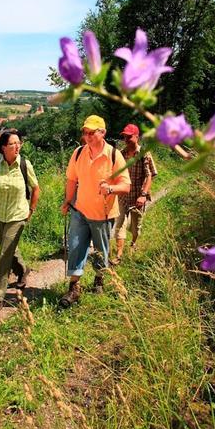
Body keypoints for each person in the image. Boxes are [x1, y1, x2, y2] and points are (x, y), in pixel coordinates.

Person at [59, 115, 131, 307]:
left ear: (103, 133)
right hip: (80, 210)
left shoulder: (114, 155)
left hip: (103, 214)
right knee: (75, 247)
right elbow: (72, 179)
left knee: (101, 251)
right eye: (85, 132)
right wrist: (67, 200)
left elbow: (126, 185)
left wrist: (110, 188)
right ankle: (74, 288)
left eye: (92, 132)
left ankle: (99, 279)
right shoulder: (78, 153)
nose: (88, 136)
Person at [0, 129, 40, 318]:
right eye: (12, 144)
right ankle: (22, 269)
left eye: (19, 143)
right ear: (3, 147)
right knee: (7, 248)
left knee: (4, 255)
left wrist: (30, 210)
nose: (17, 146)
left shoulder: (24, 165)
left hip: (17, 216)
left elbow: (36, 189)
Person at [112, 123, 157, 264]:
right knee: (120, 224)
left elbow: (150, 175)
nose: (126, 140)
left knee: (135, 226)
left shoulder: (144, 154)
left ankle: (133, 242)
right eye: (124, 137)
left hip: (138, 195)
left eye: (129, 137)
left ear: (137, 137)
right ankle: (119, 255)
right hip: (123, 196)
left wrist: (143, 194)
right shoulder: (121, 154)